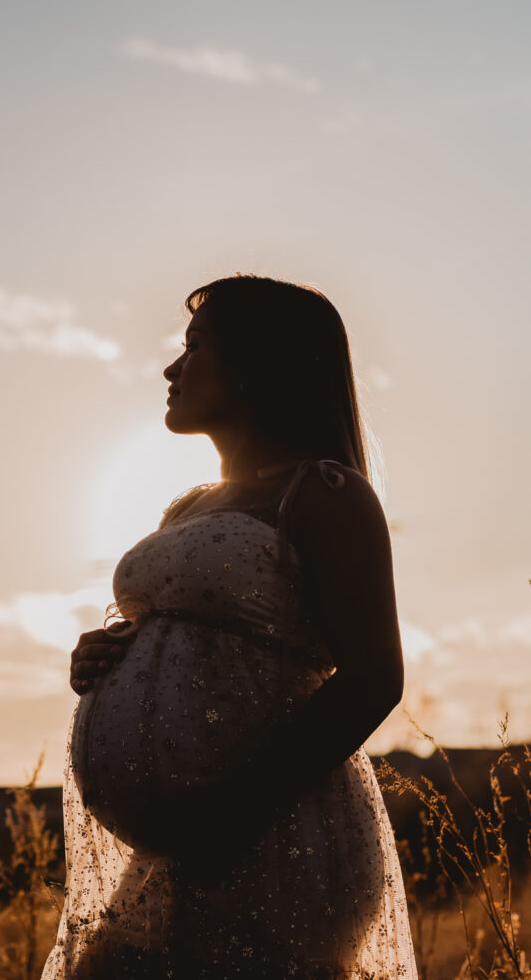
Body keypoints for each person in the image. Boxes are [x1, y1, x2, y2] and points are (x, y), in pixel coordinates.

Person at [41, 275, 418, 979]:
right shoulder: (188, 505)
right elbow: (186, 640)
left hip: (272, 837)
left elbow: (373, 679)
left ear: (257, 361)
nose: (171, 368)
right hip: (169, 854)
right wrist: (106, 658)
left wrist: (231, 816)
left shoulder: (325, 493)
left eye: (193, 345)